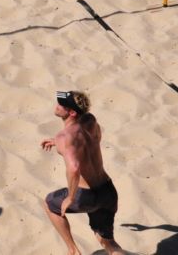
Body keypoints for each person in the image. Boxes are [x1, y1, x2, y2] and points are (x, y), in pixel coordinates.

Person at [40, 91, 124, 255]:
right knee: (107, 242)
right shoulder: (90, 120)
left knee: (50, 205)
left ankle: (73, 250)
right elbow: (87, 139)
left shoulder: (64, 137)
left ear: (71, 112)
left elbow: (74, 167)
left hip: (85, 195)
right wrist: (58, 142)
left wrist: (70, 198)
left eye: (61, 105)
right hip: (107, 191)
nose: (56, 106)